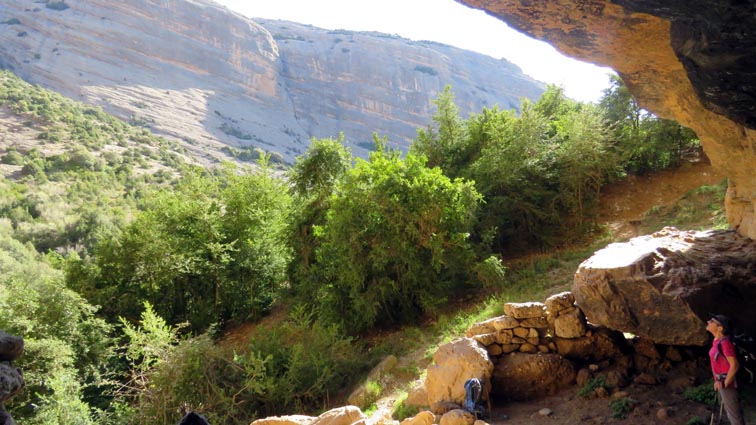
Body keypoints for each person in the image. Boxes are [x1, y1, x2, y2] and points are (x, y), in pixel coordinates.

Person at [707, 314, 745, 425]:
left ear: (720, 328)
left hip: (728, 384)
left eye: (712, 321)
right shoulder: (717, 341)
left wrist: (724, 383)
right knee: (731, 414)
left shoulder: (725, 343)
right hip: (721, 382)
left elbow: (734, 365)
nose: (708, 322)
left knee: (735, 417)